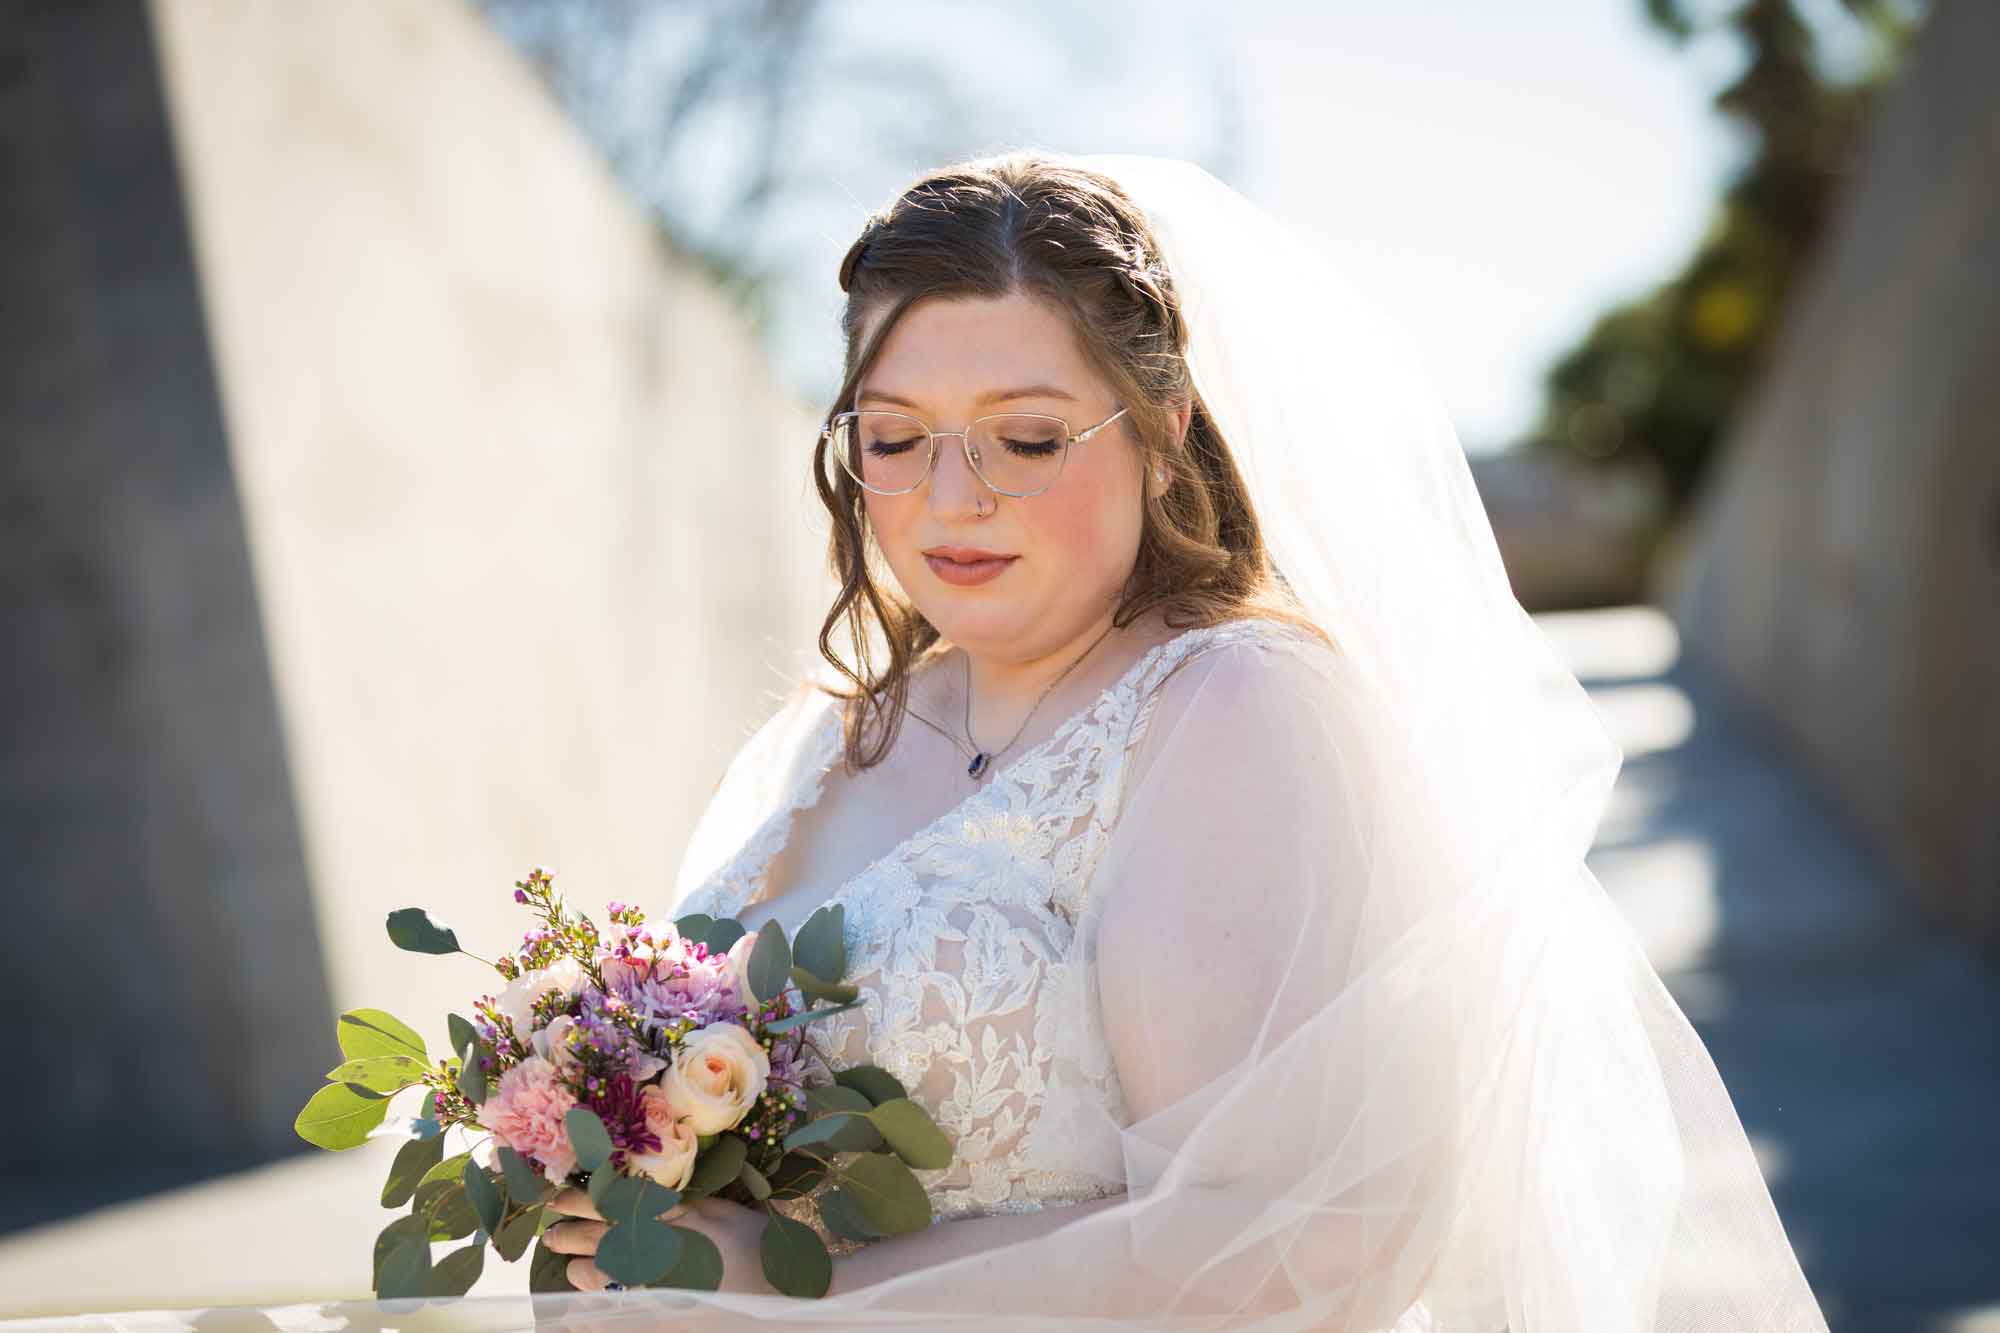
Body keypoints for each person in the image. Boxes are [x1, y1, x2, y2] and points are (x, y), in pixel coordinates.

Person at [518, 150, 1831, 1330]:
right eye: (897, 437)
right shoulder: (829, 730)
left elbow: (1305, 1243)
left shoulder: (1233, 713)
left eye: (1026, 436)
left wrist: (798, 1300)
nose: (951, 498)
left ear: (1162, 435)